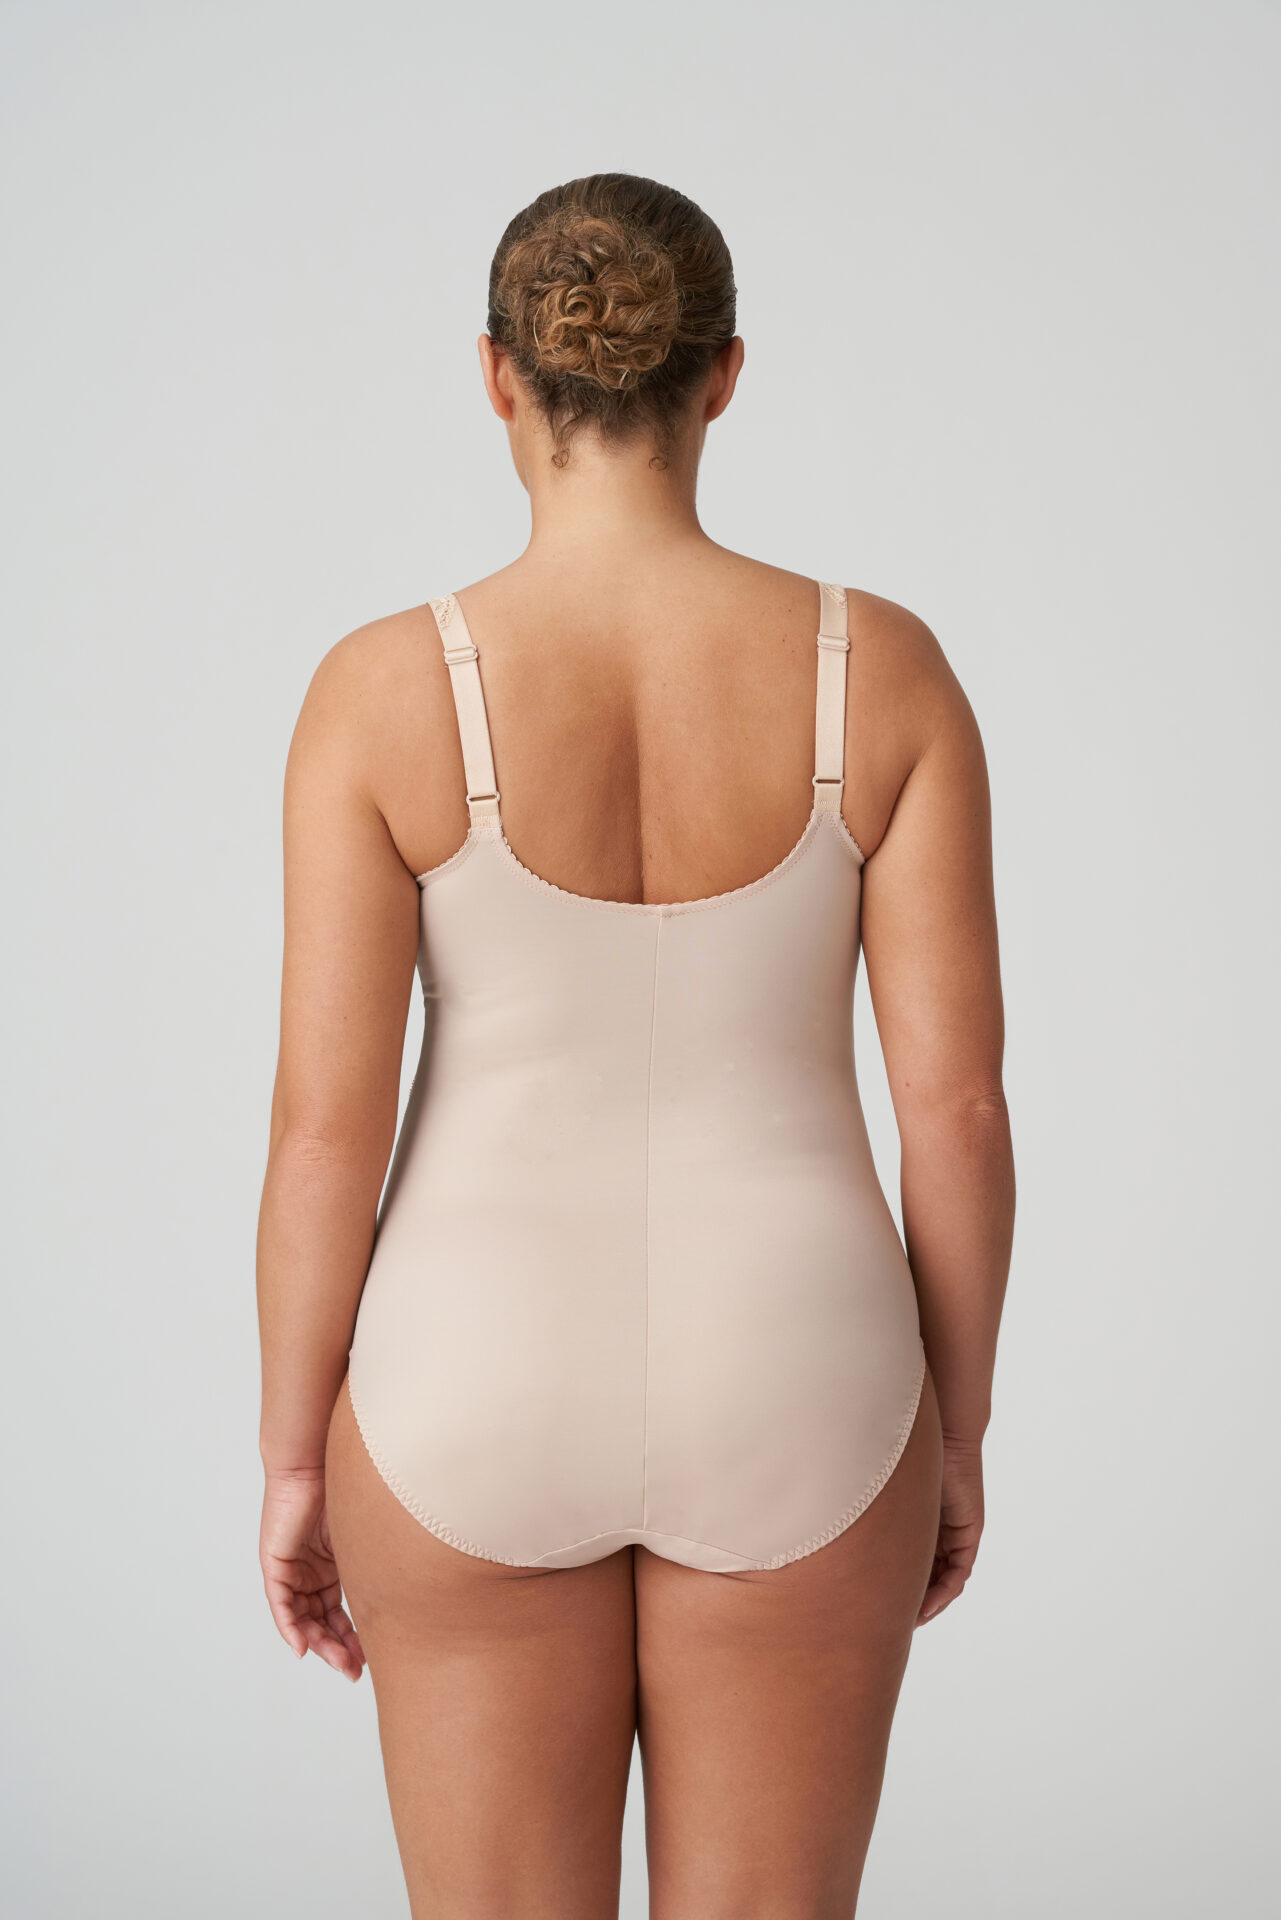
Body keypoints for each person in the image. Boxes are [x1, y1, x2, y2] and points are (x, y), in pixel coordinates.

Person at [256, 171, 1014, 1918]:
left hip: (465, 1370)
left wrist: (296, 1459)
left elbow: (320, 1138)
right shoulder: (883, 672)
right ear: (724, 374)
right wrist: (955, 1431)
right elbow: (958, 1112)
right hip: (805, 1365)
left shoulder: (380, 689)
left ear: (496, 376)